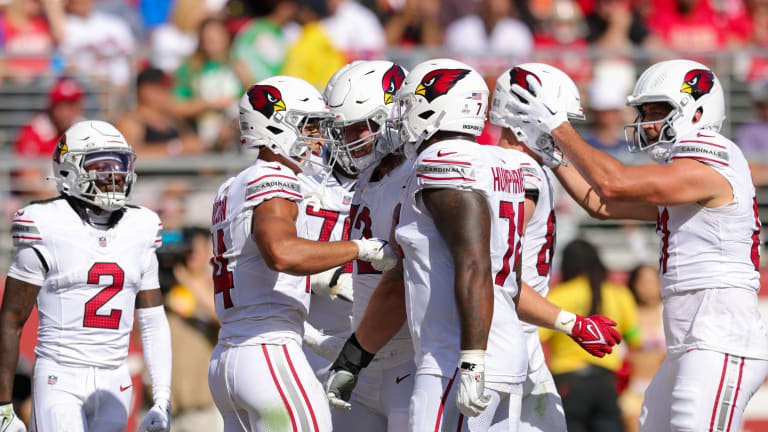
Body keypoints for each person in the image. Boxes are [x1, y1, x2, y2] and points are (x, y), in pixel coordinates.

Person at [325, 58, 620, 431]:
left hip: (458, 349)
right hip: (508, 346)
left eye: (411, 104)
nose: (402, 117)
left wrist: (471, 358)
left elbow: (474, 262)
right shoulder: (514, 167)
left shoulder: (442, 160)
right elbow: (502, 274)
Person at [507, 58, 768, 431]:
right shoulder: (687, 171)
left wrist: (558, 127)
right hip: (691, 343)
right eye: (644, 112)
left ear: (696, 112)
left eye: (658, 111)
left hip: (721, 340)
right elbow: (602, 205)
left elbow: (615, 183)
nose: (647, 123)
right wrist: (554, 154)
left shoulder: (712, 157)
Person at [206, 76, 396, 432]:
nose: (317, 138)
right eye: (308, 126)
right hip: (268, 353)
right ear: (277, 127)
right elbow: (281, 253)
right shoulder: (275, 177)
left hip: (227, 359)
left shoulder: (231, 185)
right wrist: (361, 248)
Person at [0, 120, 172, 432]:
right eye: (103, 165)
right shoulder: (46, 223)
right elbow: (11, 319)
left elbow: (153, 321)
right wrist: (2, 406)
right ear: (70, 171)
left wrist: (162, 398)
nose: (115, 175)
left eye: (121, 164)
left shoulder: (141, 226)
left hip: (115, 378)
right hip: (60, 376)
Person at [489, 62, 627, 432]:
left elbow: (602, 204)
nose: (564, 132)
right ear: (530, 119)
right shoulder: (522, 173)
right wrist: (571, 323)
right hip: (500, 334)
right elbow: (493, 277)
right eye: (556, 121)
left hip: (518, 332)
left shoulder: (523, 167)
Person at [324, 60, 415, 431]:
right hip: (367, 359)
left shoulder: (418, 176)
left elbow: (400, 282)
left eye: (359, 127)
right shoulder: (368, 176)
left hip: (409, 360)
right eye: (342, 130)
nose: (348, 140)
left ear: (392, 116)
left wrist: (352, 356)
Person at [539, 239, 641, 432]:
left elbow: (537, 336)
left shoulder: (558, 295)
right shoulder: (619, 294)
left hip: (567, 380)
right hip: (606, 381)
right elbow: (635, 337)